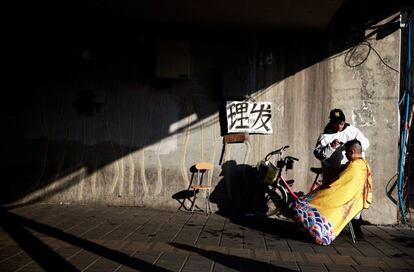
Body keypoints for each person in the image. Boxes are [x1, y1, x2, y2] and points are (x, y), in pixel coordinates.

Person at [293, 139, 373, 245]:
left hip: (342, 199)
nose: (345, 155)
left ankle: (317, 232)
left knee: (300, 205)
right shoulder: (364, 164)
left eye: (346, 152)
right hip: (353, 201)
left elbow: (336, 184)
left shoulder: (353, 167)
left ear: (352, 152)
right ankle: (317, 230)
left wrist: (324, 187)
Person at [314, 109, 370, 184]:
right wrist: (331, 146)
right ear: (331, 122)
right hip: (333, 177)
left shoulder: (352, 131)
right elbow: (319, 154)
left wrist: (352, 144)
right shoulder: (325, 136)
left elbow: (366, 143)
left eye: (341, 123)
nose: (339, 126)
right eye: (336, 124)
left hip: (352, 174)